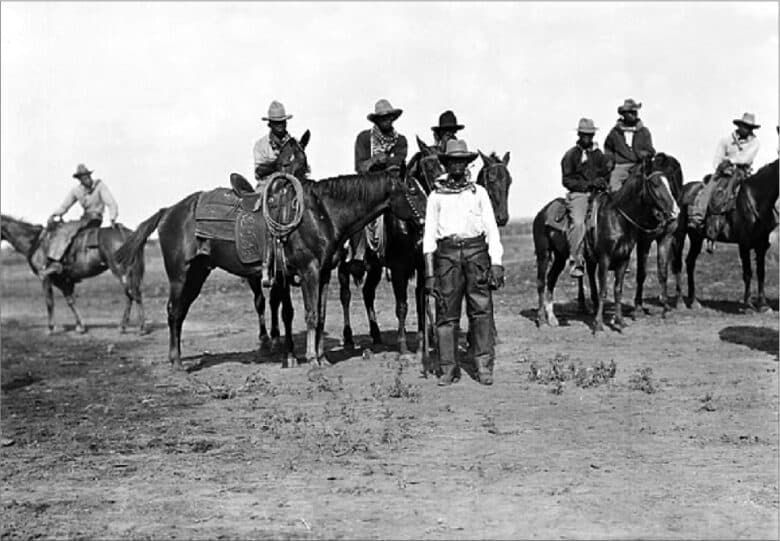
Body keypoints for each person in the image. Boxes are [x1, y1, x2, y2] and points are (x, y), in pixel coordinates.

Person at [423, 139, 504, 387]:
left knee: (481, 311)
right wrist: (429, 273)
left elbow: (491, 228)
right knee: (446, 315)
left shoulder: (478, 192)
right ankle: (448, 368)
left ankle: (482, 365)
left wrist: (497, 262)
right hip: (447, 257)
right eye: (452, 161)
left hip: (476, 254)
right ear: (446, 164)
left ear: (467, 163)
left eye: (461, 161)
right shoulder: (436, 196)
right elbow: (429, 236)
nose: (457, 166)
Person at [349, 99, 408, 278]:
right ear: (376, 120)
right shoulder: (364, 138)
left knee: (409, 209)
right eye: (382, 118)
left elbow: (397, 164)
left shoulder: (401, 141)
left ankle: (408, 249)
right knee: (357, 213)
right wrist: (376, 160)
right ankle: (356, 253)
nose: (386, 120)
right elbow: (360, 167)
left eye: (389, 117)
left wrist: (383, 162)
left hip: (392, 185)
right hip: (368, 187)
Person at [38, 164, 118, 277]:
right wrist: (54, 214)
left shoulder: (100, 186)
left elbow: (110, 202)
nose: (87, 179)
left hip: (95, 219)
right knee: (62, 228)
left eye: (88, 176)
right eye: (83, 178)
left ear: (90, 176)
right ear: (79, 179)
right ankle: (61, 259)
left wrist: (113, 217)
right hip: (85, 218)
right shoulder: (77, 191)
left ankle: (55, 261)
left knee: (65, 230)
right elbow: (65, 206)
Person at [688, 113, 761, 233]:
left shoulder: (754, 143)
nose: (746, 129)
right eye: (744, 126)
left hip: (741, 172)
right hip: (724, 170)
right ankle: (698, 216)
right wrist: (721, 167)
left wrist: (730, 161)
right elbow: (717, 158)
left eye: (749, 127)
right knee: (711, 186)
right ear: (739, 126)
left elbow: (745, 158)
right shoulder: (726, 140)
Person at [561, 118, 611, 277]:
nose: (587, 138)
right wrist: (587, 185)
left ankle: (616, 256)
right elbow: (567, 180)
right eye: (584, 135)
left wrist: (602, 181)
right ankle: (575, 260)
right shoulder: (571, 155)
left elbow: (605, 173)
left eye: (590, 135)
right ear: (579, 135)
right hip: (580, 194)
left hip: (599, 193)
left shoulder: (598, 155)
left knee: (613, 216)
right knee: (578, 222)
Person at [604, 98, 655, 192]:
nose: (634, 114)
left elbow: (650, 149)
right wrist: (610, 160)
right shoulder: (615, 132)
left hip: (639, 165)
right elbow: (608, 147)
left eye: (635, 112)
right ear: (624, 114)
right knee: (614, 185)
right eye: (630, 112)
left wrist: (645, 154)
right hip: (621, 166)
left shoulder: (644, 131)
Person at [253, 100, 294, 192]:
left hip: (292, 184)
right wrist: (278, 164)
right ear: (269, 124)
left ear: (286, 123)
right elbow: (259, 172)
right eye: (276, 122)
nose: (280, 125)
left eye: (282, 122)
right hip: (268, 186)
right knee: (258, 202)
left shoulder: (294, 144)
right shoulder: (260, 145)